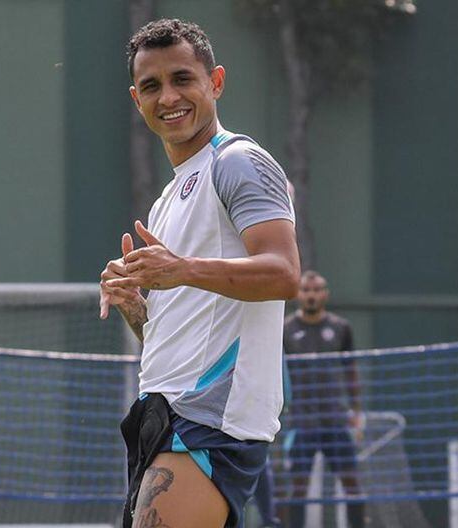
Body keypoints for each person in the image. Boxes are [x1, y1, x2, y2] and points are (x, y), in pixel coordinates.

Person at [98, 18, 300, 528]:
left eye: (182, 79)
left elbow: (284, 273)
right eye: (151, 86)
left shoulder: (238, 161)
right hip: (164, 415)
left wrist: (181, 269)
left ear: (216, 82)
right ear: (136, 100)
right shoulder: (168, 198)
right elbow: (177, 335)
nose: (168, 97)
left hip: (209, 422)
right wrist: (135, 306)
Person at [283, 271, 364, 528]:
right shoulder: (285, 330)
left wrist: (356, 411)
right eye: (306, 290)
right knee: (298, 487)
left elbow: (351, 371)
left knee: (352, 484)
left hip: (335, 419)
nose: (311, 295)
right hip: (301, 422)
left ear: (325, 294)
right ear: (298, 294)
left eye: (316, 290)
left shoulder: (341, 328)